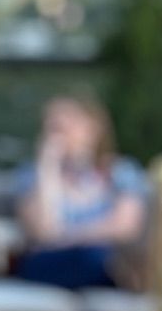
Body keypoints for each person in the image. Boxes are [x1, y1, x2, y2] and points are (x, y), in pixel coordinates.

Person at [9, 93, 148, 290]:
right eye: (53, 129)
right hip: (50, 262)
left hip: (102, 254)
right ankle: (124, 277)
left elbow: (125, 227)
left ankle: (124, 275)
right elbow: (44, 231)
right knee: (91, 258)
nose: (59, 136)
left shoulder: (120, 171)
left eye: (67, 127)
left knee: (99, 256)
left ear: (93, 128)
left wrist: (67, 236)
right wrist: (48, 168)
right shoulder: (33, 175)